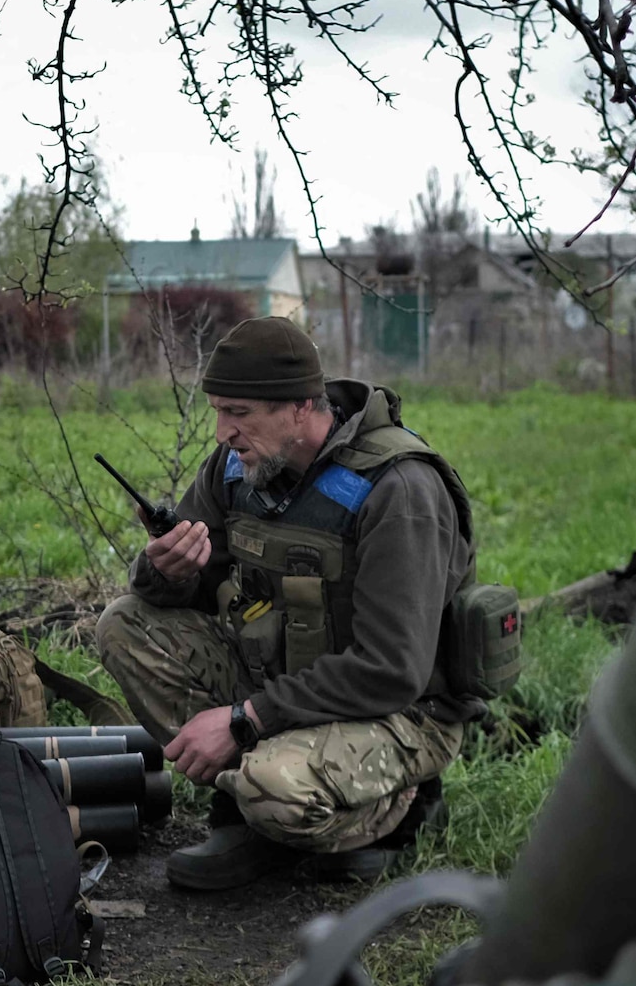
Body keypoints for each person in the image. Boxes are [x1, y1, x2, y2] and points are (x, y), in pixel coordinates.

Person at [96, 316, 480, 890]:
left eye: (240, 413)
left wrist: (244, 722)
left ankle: (397, 813)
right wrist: (163, 571)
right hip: (289, 689)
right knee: (124, 623)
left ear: (302, 407)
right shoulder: (235, 470)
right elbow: (188, 595)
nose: (224, 431)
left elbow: (391, 670)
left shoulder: (398, 490)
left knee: (274, 785)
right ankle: (254, 816)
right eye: (219, 411)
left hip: (402, 712)